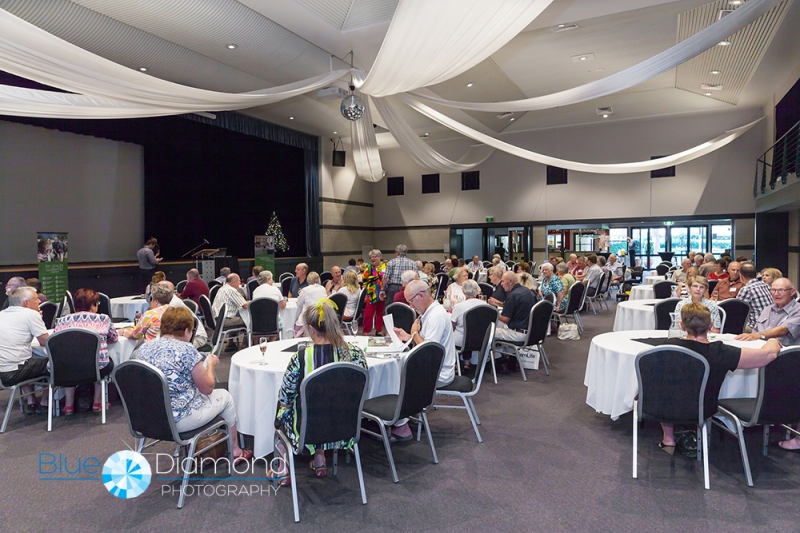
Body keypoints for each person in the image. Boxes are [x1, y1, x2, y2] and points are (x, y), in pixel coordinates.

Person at [657, 303, 781, 455]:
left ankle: (668, 439)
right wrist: (772, 341)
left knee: (666, 391)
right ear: (710, 326)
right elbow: (767, 356)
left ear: (682, 325)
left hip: (668, 407)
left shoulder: (669, 346)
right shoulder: (720, 351)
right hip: (705, 408)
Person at [135, 307, 250, 462]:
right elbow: (207, 388)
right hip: (178, 421)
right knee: (226, 397)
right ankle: (236, 451)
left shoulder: (142, 349)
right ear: (187, 330)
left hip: (145, 417)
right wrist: (210, 365)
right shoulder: (186, 351)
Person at [273, 300, 368, 483]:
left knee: (283, 407)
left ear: (311, 329)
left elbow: (285, 398)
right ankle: (319, 458)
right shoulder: (355, 353)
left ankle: (283, 466)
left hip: (309, 431)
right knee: (329, 402)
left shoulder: (301, 358)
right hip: (344, 427)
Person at [53, 288, 117, 414]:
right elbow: (113, 338)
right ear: (92, 306)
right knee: (102, 361)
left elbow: (56, 340)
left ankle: (69, 405)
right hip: (95, 368)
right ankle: (97, 403)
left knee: (70, 359)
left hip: (65, 368)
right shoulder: (103, 319)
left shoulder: (62, 320)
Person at [394, 280, 457, 390]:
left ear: (420, 295)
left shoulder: (436, 316)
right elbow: (427, 342)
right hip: (434, 369)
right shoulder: (430, 312)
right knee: (395, 370)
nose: (411, 306)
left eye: (411, 301)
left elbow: (428, 351)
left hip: (438, 375)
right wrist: (409, 337)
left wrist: (414, 333)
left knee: (393, 375)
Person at [0, 287, 50, 414]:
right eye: (36, 299)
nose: (39, 301)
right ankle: (45, 403)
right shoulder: (30, 314)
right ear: (26, 303)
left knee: (30, 358)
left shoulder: (1, 314)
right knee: (54, 363)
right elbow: (45, 342)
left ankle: (31, 401)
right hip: (15, 371)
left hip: (3, 372)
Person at [735, 278, 800, 346]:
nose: (776, 294)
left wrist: (759, 335)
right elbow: (755, 330)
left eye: (781, 290)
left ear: (792, 292)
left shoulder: (797, 309)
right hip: (758, 346)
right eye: (773, 290)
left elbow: (784, 330)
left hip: (783, 350)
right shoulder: (767, 309)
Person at [494, 272, 536, 373]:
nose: (501, 284)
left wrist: (493, 312)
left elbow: (505, 319)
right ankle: (511, 359)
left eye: (503, 281)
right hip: (531, 332)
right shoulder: (526, 291)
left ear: (510, 281)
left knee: (490, 332)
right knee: (499, 327)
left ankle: (499, 361)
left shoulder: (512, 296)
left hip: (518, 334)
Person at [450, 280, 485, 371]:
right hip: (482, 340)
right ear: (477, 291)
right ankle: (466, 361)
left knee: (452, 334)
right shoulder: (485, 305)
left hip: (462, 341)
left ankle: (454, 363)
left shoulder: (459, 306)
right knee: (471, 331)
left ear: (463, 291)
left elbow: (452, 327)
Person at [735, 263, 773, 332]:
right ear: (756, 274)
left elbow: (737, 311)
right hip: (771, 324)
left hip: (756, 327)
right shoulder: (765, 285)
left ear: (741, 276)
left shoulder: (746, 289)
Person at [293, 272, 327, 337]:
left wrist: (301, 294)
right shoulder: (323, 289)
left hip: (308, 316)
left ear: (308, 280)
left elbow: (298, 304)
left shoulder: (305, 290)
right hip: (321, 316)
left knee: (296, 326)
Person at [361, 250, 386, 335]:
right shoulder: (368, 268)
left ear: (379, 257)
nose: (372, 259)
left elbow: (386, 278)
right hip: (371, 294)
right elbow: (364, 280)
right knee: (368, 313)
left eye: (374, 257)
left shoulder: (385, 266)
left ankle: (379, 330)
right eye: (370, 257)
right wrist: (365, 294)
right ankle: (366, 331)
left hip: (382, 292)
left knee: (380, 313)